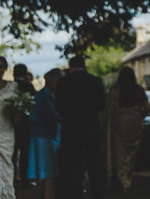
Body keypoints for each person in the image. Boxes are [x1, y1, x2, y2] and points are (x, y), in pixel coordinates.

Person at [55, 55, 106, 199]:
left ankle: (74, 193)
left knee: (72, 166)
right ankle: (97, 194)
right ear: (84, 66)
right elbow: (102, 104)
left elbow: (58, 106)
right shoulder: (96, 81)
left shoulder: (63, 83)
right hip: (91, 128)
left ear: (71, 67)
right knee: (94, 164)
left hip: (71, 130)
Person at [105, 66, 148, 194]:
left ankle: (123, 181)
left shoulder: (116, 91)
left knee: (120, 154)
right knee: (131, 155)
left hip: (121, 124)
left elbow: (112, 111)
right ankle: (127, 180)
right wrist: (139, 116)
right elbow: (147, 108)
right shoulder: (139, 90)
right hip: (135, 124)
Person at [27, 68, 65, 199]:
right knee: (49, 175)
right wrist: (52, 118)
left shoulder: (55, 95)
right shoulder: (40, 95)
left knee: (50, 175)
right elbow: (31, 117)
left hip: (51, 136)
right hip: (42, 138)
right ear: (51, 79)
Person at [0, 55, 19, 199]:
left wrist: (18, 115)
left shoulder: (13, 87)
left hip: (7, 134)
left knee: (6, 168)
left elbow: (17, 111)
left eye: (0, 66)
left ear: (5, 68)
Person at [12, 63, 36, 187]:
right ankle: (24, 179)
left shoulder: (10, 86)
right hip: (26, 124)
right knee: (25, 152)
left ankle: (11, 177)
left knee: (12, 152)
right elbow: (34, 104)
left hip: (10, 124)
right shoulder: (28, 85)